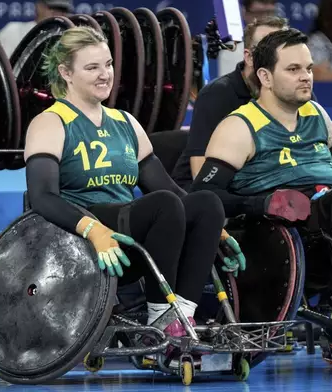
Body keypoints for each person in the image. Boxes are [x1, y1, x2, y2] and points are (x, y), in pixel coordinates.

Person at [23, 26, 245, 337]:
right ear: (66, 73)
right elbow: (42, 197)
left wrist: (214, 227)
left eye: (108, 64)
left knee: (207, 202)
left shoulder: (125, 123)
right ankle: (159, 318)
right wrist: (93, 229)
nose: (105, 74)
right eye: (92, 67)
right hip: (82, 239)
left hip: (130, 235)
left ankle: (181, 315)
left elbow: (167, 187)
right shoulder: (50, 122)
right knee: (164, 206)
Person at [190, 28, 332, 323]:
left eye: (309, 68)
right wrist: (263, 203)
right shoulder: (239, 127)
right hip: (292, 232)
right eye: (293, 69)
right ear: (265, 77)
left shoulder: (316, 114)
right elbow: (203, 196)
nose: (306, 76)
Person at [172, 16, 290, 189]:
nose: (278, 60)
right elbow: (201, 175)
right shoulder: (216, 95)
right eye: (270, 52)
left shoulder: (294, 93)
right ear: (249, 57)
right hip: (208, 197)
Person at [0, 0, 74, 58]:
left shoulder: (71, 39)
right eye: (53, 8)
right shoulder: (14, 30)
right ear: (39, 7)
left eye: (63, 10)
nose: (58, 13)